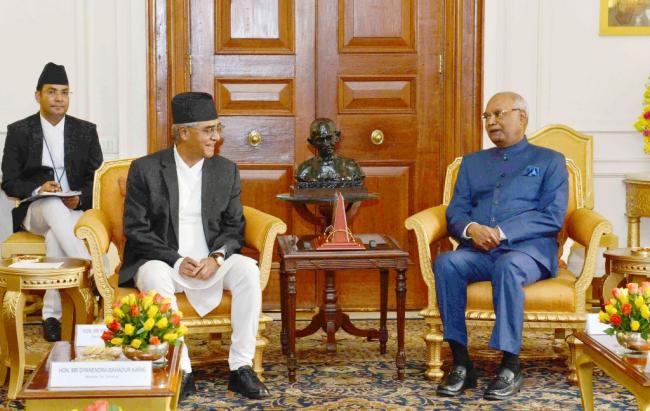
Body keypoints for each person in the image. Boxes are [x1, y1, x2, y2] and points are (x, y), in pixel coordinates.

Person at [120, 92, 270, 400]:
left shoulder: (225, 170)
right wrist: (176, 260)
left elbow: (234, 228)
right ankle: (182, 369)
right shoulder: (145, 169)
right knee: (153, 276)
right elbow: (136, 230)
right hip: (163, 261)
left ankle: (241, 367)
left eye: (218, 129)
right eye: (208, 130)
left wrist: (216, 258)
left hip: (210, 262)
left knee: (247, 270)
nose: (216, 137)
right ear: (183, 132)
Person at [433, 92, 568, 400]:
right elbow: (456, 211)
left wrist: (501, 232)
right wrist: (471, 229)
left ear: (522, 117)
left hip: (528, 253)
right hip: (479, 252)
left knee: (508, 266)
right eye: (487, 116)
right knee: (447, 263)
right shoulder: (472, 163)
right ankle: (461, 362)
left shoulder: (549, 161)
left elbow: (552, 216)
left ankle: (510, 365)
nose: (491, 122)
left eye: (498, 114)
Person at [1, 62, 103, 342]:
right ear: (38, 96)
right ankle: (95, 271)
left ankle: (51, 316)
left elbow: (97, 178)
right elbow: (9, 181)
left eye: (64, 92)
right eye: (52, 92)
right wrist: (39, 188)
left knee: (56, 237)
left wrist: (79, 197)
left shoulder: (85, 131)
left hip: (73, 210)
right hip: (36, 209)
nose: (59, 98)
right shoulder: (20, 131)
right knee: (52, 205)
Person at [295, 118, 365, 189]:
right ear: (312, 142)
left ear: (337, 137)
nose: (325, 143)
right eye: (320, 140)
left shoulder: (351, 167)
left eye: (329, 138)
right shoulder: (304, 170)